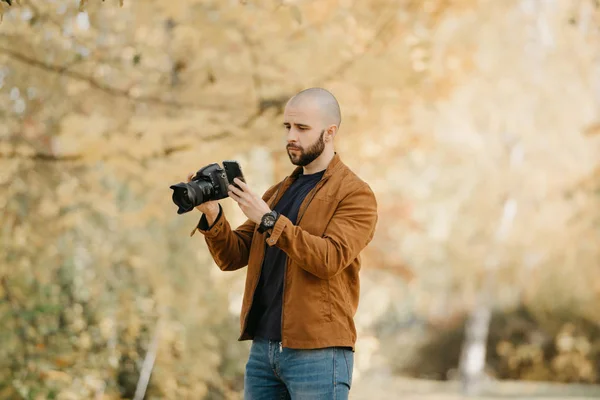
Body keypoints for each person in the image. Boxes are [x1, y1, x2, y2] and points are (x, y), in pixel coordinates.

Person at [188, 87, 378, 399]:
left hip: (319, 352)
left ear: (330, 133)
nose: (291, 136)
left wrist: (269, 220)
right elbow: (232, 256)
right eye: (287, 127)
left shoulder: (355, 194)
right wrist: (212, 214)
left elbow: (329, 259)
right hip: (263, 352)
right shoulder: (277, 193)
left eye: (302, 128)